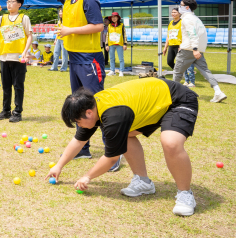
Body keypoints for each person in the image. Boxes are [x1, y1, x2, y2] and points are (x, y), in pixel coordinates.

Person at [50, 78, 199, 216]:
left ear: (88, 113)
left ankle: (185, 194)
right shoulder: (91, 107)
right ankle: (143, 182)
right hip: (155, 102)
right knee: (125, 135)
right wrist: (59, 166)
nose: (78, 125)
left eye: (77, 121)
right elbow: (78, 140)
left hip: (177, 100)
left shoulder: (113, 116)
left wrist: (87, 176)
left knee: (171, 142)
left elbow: (111, 157)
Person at [10, 0, 109, 163]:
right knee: (79, 103)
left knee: (98, 104)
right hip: (75, 58)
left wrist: (70, 30)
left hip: (90, 59)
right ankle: (84, 148)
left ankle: (113, 153)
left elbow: (98, 26)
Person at [0, 0, 32, 123]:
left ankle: (17, 112)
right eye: (8, 1)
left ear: (19, 4)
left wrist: (25, 52)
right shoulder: (2, 18)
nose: (9, 4)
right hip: (4, 57)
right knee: (6, 86)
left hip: (18, 57)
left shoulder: (23, 18)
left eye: (12, 1)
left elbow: (30, 36)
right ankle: (6, 110)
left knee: (18, 86)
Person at [172, 0, 226, 103]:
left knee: (177, 72)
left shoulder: (187, 19)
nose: (179, 6)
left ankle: (173, 95)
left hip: (189, 49)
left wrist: (195, 49)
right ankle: (218, 92)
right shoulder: (196, 18)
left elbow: (193, 34)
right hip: (197, 50)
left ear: (187, 7)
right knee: (205, 71)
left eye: (181, 4)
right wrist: (198, 49)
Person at [106, 12, 127, 76]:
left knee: (121, 58)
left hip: (120, 44)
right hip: (111, 44)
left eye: (115, 17)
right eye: (112, 17)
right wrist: (106, 44)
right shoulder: (109, 25)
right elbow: (107, 35)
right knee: (111, 58)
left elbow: (124, 34)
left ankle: (121, 71)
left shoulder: (122, 25)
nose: (114, 18)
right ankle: (112, 71)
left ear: (118, 18)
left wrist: (125, 44)